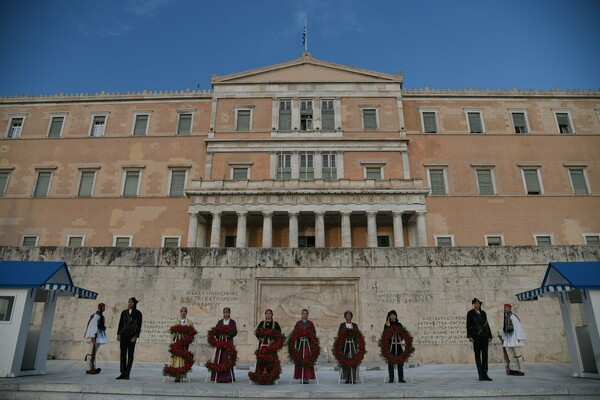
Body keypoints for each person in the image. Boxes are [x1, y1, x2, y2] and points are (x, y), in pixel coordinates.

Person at [116, 297, 143, 380]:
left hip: (131, 336)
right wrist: (118, 334)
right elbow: (120, 323)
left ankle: (128, 373)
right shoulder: (124, 313)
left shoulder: (138, 313)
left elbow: (139, 326)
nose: (129, 303)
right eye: (129, 302)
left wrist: (136, 336)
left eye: (131, 302)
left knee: (130, 355)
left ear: (134, 303)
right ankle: (122, 373)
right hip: (123, 335)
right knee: (123, 354)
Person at [466, 298, 493, 381]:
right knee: (477, 356)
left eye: (478, 304)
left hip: (484, 336)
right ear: (473, 305)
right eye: (476, 304)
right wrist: (470, 336)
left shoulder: (483, 313)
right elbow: (468, 325)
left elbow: (486, 324)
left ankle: (485, 373)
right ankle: (480, 375)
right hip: (476, 336)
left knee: (485, 355)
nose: (477, 305)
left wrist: (489, 335)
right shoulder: (470, 313)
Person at [211, 307, 237, 383]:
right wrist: (219, 335)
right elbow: (216, 331)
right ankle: (218, 377)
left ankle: (227, 377)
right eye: (224, 312)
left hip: (228, 343)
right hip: (220, 344)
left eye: (227, 312)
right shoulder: (220, 322)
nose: (226, 314)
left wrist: (228, 335)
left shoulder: (232, 322)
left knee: (227, 359)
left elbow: (234, 331)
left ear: (229, 313)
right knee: (219, 359)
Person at [169, 307, 195, 382]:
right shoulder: (176, 322)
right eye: (182, 311)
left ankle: (182, 374)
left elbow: (192, 333)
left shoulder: (189, 322)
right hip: (177, 343)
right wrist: (175, 335)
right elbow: (172, 332)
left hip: (184, 343)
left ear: (186, 313)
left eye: (185, 311)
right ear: (180, 312)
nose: (183, 313)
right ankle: (176, 375)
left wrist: (187, 337)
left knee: (183, 359)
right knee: (176, 358)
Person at [292, 308, 317, 384]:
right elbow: (294, 333)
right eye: (303, 313)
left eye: (305, 313)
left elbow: (313, 333)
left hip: (307, 345)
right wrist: (299, 337)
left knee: (307, 360)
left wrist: (308, 337)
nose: (304, 315)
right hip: (300, 344)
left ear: (307, 315)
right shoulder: (298, 323)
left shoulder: (310, 324)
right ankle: (301, 377)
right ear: (301, 314)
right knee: (300, 360)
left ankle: (306, 377)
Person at [502, 303, 526, 376]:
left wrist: (519, 338)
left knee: (518, 355)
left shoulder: (513, 317)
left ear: (509, 308)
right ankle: (518, 370)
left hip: (514, 339)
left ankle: (521, 370)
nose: (504, 309)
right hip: (510, 339)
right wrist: (503, 337)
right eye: (504, 308)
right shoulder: (507, 317)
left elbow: (518, 328)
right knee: (514, 356)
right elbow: (505, 328)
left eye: (505, 308)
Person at [255, 309, 281, 374]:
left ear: (272, 315)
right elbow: (257, 332)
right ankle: (260, 373)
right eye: (267, 313)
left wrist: (274, 340)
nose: (268, 315)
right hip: (263, 344)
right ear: (265, 315)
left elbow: (279, 333)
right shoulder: (261, 323)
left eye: (270, 313)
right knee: (262, 358)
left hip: (271, 345)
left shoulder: (275, 324)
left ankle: (272, 374)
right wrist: (260, 338)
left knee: (272, 358)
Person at [84, 303, 107, 375]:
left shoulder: (100, 316)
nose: (104, 308)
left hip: (98, 337)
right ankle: (88, 369)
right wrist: (93, 336)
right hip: (94, 337)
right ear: (100, 307)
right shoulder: (96, 316)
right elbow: (93, 326)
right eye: (103, 307)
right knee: (90, 352)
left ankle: (92, 367)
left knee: (94, 352)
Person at [383, 310, 405, 383]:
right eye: (391, 315)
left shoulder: (399, 325)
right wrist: (390, 338)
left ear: (396, 316)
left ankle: (401, 378)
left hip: (398, 345)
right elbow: (385, 335)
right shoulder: (387, 325)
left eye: (393, 315)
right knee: (391, 362)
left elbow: (403, 334)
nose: (392, 316)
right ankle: (391, 378)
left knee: (400, 362)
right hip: (390, 345)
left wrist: (399, 338)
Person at [338, 310, 360, 384]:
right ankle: (346, 378)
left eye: (350, 315)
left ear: (351, 317)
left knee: (353, 361)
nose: (348, 317)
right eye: (347, 315)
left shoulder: (354, 325)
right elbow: (339, 335)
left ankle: (353, 378)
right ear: (345, 317)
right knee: (346, 361)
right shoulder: (342, 325)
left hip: (352, 345)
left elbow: (357, 334)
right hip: (345, 346)